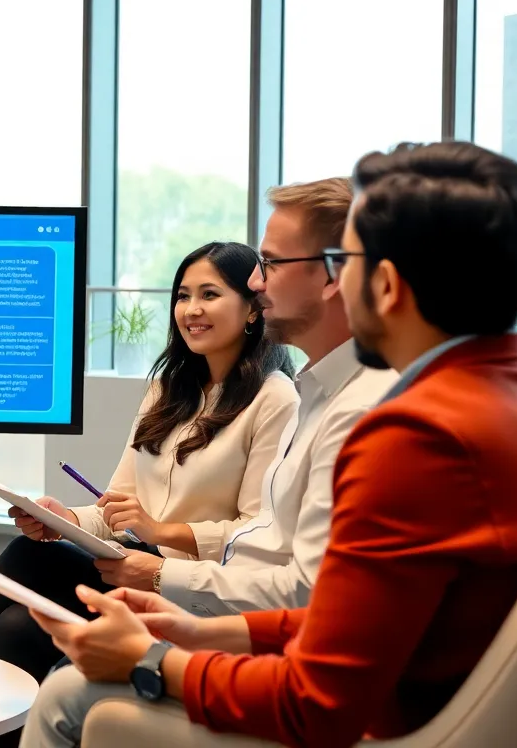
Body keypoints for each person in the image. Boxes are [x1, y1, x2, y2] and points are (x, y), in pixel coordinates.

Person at [22, 141, 517, 748]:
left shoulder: (413, 438)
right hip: (398, 696)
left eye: (345, 261)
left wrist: (150, 660)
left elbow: (316, 701)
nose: (256, 282)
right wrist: (208, 633)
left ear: (384, 284)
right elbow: (352, 617)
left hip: (369, 726)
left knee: (68, 693)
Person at [0, 242, 298, 713]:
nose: (191, 309)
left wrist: (160, 532)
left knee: (24, 574)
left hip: (191, 586)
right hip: (130, 561)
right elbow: (117, 504)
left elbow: (257, 532)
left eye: (210, 295)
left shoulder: (275, 398)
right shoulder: (167, 387)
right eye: (183, 295)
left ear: (252, 310)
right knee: (19, 618)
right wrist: (66, 519)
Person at [144, 178, 399, 616]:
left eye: (271, 263)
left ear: (334, 276)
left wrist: (160, 577)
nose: (255, 281)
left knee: (59, 652)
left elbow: (309, 595)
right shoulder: (316, 392)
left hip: (253, 625)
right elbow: (261, 544)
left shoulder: (358, 410)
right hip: (229, 609)